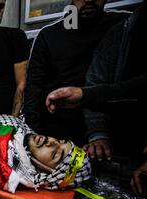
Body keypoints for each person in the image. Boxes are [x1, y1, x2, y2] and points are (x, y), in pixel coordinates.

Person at [45, 2, 146, 194]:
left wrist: (84, 95)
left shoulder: (118, 20)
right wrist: (98, 133)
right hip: (106, 148)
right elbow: (98, 82)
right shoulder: (123, 30)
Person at [23, 0, 129, 155]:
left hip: (115, 132)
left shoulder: (123, 27)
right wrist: (31, 136)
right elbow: (33, 88)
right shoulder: (50, 34)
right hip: (60, 135)